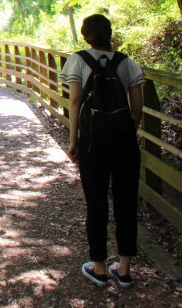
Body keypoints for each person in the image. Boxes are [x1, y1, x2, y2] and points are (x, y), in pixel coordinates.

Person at [59, 14, 145, 288]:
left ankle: (99, 267)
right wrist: (126, 130)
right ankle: (125, 269)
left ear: (85, 36)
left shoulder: (78, 60)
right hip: (125, 143)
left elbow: (74, 99)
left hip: (93, 143)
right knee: (126, 202)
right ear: (110, 34)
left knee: (96, 203)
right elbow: (137, 108)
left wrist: (74, 140)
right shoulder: (127, 63)